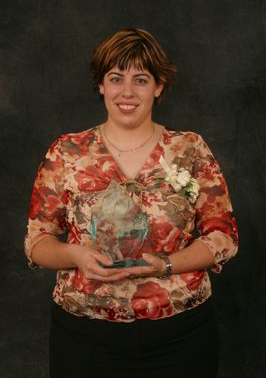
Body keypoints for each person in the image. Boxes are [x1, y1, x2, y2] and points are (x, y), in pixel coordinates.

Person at [25, 28, 238, 377]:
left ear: (159, 86)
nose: (127, 91)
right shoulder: (67, 152)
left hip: (180, 336)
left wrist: (166, 265)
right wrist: (75, 255)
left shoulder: (189, 149)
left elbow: (223, 239)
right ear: (101, 85)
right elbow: (37, 243)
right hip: (84, 337)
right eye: (115, 78)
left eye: (140, 79)